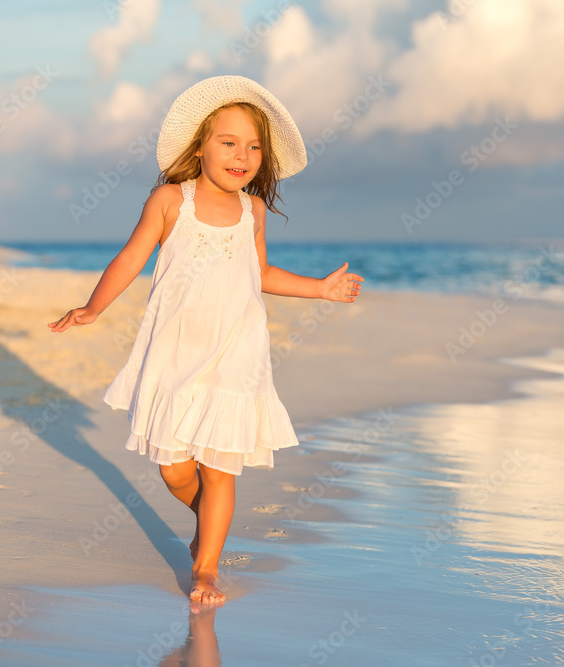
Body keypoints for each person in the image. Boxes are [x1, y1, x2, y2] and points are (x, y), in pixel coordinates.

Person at [48, 75, 363, 605]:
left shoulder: (253, 212)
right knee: (174, 468)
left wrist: (320, 290)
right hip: (175, 352)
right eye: (229, 142)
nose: (243, 155)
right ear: (200, 146)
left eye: (254, 146)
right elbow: (131, 257)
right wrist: (94, 306)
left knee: (219, 467)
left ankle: (207, 569)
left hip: (237, 353)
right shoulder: (172, 200)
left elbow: (259, 273)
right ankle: (207, 523)